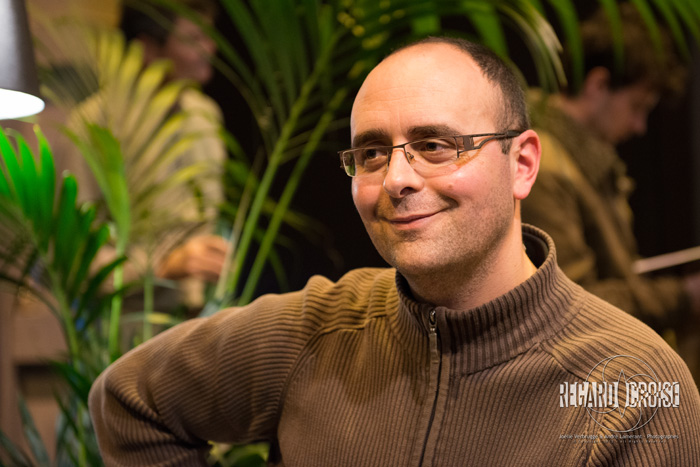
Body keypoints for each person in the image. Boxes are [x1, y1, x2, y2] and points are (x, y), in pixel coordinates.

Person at [88, 37, 700, 465]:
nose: (397, 178)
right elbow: (130, 401)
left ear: (522, 164)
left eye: (434, 145)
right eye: (373, 153)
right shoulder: (311, 331)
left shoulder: (631, 385)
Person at [521, 4, 700, 377]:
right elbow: (576, 301)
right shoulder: (544, 167)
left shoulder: (586, 158)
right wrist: (684, 296)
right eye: (637, 106)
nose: (640, 126)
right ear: (598, 85)